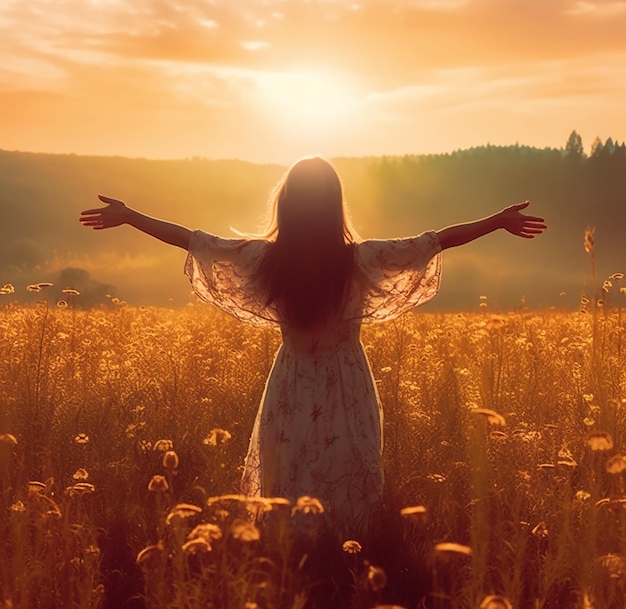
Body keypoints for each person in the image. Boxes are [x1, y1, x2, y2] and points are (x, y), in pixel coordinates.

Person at [80, 156, 546, 538]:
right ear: (334, 207)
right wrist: (496, 222)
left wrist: (130, 216)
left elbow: (193, 240)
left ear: (287, 206)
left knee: (290, 464)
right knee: (348, 464)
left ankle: (288, 549)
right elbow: (436, 240)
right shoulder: (360, 260)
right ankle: (348, 547)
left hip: (291, 380)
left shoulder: (266, 260)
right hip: (348, 381)